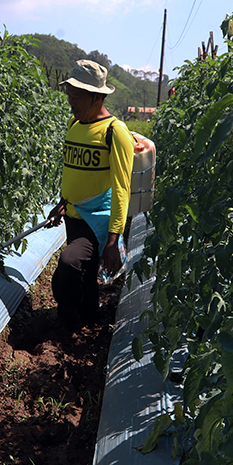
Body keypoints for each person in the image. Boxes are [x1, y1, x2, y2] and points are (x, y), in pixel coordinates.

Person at [47, 59, 135, 333]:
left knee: (69, 263)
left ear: (96, 97)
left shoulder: (114, 131)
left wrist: (113, 239)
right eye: (70, 95)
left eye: (76, 96)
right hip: (73, 215)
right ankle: (89, 318)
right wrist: (62, 203)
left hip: (96, 220)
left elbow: (122, 187)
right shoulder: (76, 124)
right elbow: (73, 171)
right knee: (83, 278)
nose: (71, 102)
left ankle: (68, 321)